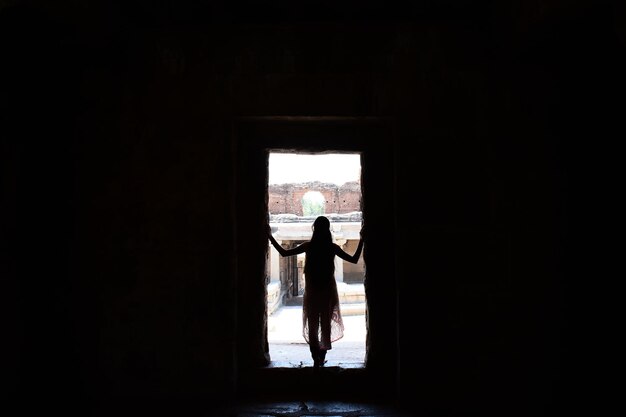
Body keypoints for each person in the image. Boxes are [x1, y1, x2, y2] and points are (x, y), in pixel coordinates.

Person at [268, 215, 364, 367]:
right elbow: (354, 258)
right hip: (327, 291)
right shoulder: (332, 247)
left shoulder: (309, 246)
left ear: (315, 229)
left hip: (313, 291)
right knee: (325, 324)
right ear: (327, 230)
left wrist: (270, 237)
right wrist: (362, 240)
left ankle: (316, 359)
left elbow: (284, 253)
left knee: (312, 324)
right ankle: (321, 357)